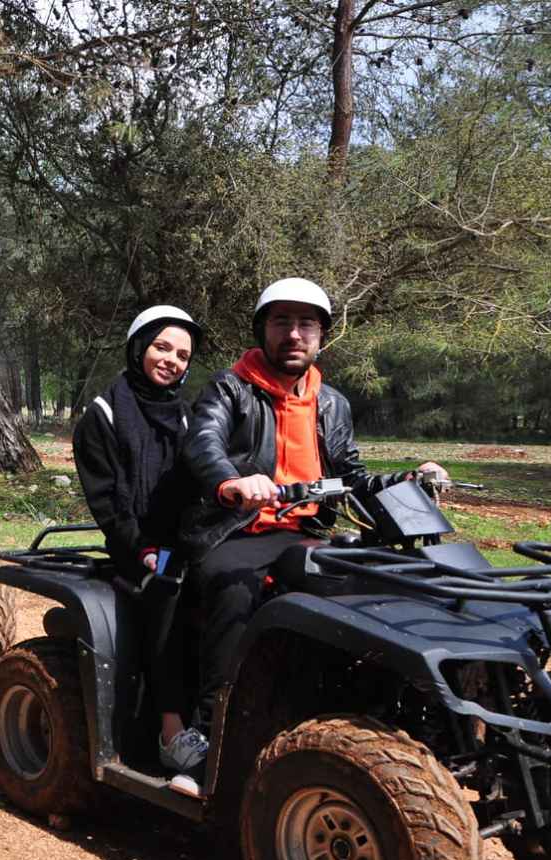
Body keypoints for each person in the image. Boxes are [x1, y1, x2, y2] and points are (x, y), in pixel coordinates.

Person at [182, 277, 447, 734]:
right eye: (281, 321)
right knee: (234, 588)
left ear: (321, 336)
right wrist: (233, 482)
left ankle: (378, 715)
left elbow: (351, 477)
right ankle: (210, 729)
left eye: (306, 323)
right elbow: (203, 442)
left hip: (302, 535)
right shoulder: (230, 388)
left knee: (386, 583)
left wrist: (407, 480)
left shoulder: (331, 403)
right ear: (262, 330)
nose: (293, 333)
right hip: (235, 530)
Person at [73, 304, 206, 777]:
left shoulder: (187, 416)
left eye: (183, 354)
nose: (172, 360)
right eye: (162, 347)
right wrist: (143, 548)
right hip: (136, 546)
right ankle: (171, 731)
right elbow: (108, 501)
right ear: (138, 347)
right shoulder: (104, 414)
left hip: (185, 538)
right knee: (168, 588)